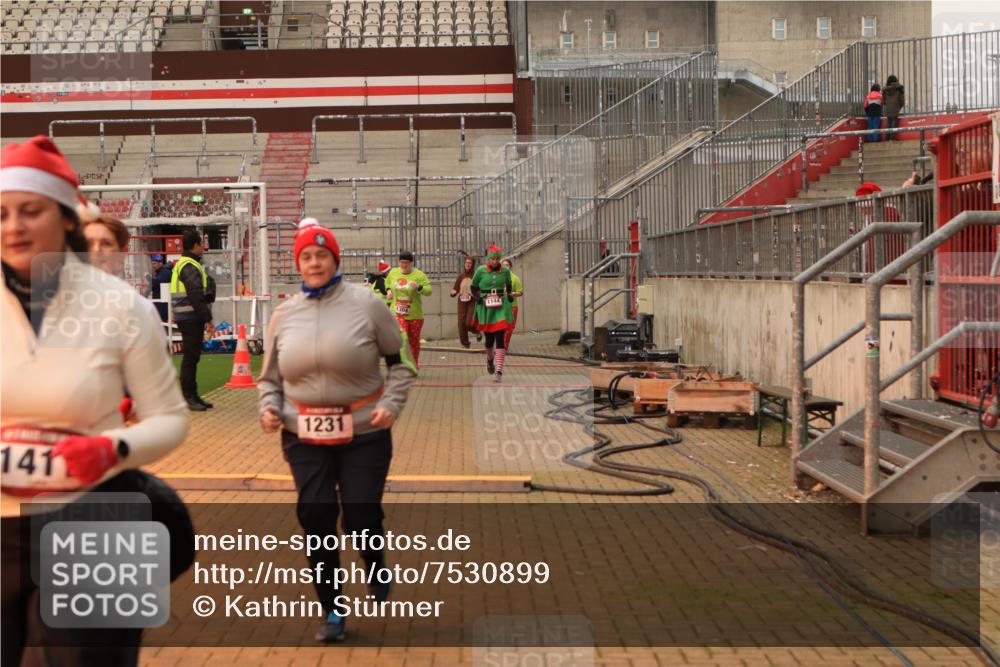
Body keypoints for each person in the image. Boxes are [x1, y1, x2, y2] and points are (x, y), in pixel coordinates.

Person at [1, 135, 190, 667]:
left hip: (95, 517)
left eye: (30, 210)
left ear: (66, 218)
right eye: (1, 213)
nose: (13, 226)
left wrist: (110, 449)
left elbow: (169, 419)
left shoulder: (121, 306)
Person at [257, 218, 416, 643]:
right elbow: (269, 378)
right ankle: (332, 610)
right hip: (304, 434)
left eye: (321, 255)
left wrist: (389, 404)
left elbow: (401, 367)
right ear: (299, 263)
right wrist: (269, 408)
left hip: (365, 431)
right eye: (306, 256)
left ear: (335, 259)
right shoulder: (284, 314)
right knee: (315, 516)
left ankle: (374, 560)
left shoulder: (367, 305)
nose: (314, 263)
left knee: (361, 515)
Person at [170, 229, 215, 411]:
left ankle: (193, 396)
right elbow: (195, 294)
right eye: (201, 243)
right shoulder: (189, 265)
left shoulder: (186, 263)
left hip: (188, 316)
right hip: (189, 316)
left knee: (193, 357)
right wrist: (207, 318)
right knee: (190, 357)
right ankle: (188, 397)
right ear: (195, 245)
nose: (203, 247)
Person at [471, 244, 514, 382]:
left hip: (500, 306)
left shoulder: (505, 272)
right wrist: (477, 295)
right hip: (486, 306)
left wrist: (509, 294)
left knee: (500, 337)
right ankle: (490, 360)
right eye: (492, 259)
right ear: (488, 259)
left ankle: (499, 371)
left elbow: (508, 284)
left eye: (497, 259)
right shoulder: (480, 270)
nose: (495, 261)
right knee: (489, 340)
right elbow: (473, 286)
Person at [386, 251, 432, 367]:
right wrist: (389, 291)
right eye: (401, 262)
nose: (404, 265)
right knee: (401, 338)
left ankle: (413, 363)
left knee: (413, 342)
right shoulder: (393, 272)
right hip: (397, 313)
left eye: (406, 263)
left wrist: (419, 287)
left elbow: (428, 291)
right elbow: (387, 283)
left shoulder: (419, 275)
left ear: (412, 263)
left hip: (415, 315)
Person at [449, 255, 477, 348]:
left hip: (472, 301)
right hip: (461, 301)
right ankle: (465, 344)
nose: (467, 265)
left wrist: (475, 294)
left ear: (472, 265)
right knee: (461, 323)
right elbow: (455, 289)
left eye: (470, 263)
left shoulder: (476, 276)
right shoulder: (461, 276)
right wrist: (453, 293)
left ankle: (476, 331)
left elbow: (479, 289)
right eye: (466, 263)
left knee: (468, 322)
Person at [500, 257, 523, 352]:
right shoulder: (498, 278)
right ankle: (500, 345)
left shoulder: (515, 278)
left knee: (509, 327)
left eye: (507, 265)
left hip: (512, 306)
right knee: (500, 326)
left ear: (510, 267)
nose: (505, 267)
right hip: (500, 306)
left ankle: (504, 346)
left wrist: (513, 293)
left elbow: (520, 292)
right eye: (503, 265)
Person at [147, 253, 172, 322]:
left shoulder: (165, 272)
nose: (153, 266)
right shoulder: (159, 273)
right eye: (152, 264)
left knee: (163, 324)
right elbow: (153, 284)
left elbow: (157, 281)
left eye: (154, 263)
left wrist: (148, 277)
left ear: (160, 263)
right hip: (159, 303)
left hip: (163, 305)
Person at [883, 75, 905, 140]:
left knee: (889, 123)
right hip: (895, 108)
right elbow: (901, 100)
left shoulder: (885, 90)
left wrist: (886, 104)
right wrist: (900, 106)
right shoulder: (899, 89)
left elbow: (883, 100)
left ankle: (887, 138)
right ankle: (892, 138)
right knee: (893, 124)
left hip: (887, 109)